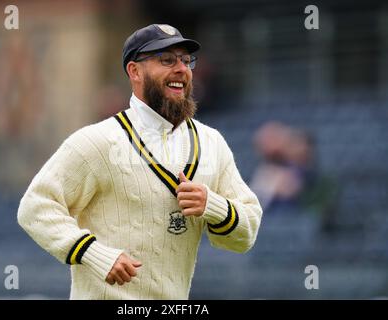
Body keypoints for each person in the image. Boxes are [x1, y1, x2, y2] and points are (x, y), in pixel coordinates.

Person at [17, 24, 263, 299]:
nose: (182, 69)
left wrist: (213, 206)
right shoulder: (96, 141)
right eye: (167, 60)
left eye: (186, 60)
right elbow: (34, 207)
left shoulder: (212, 143)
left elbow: (247, 232)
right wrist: (91, 252)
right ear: (135, 71)